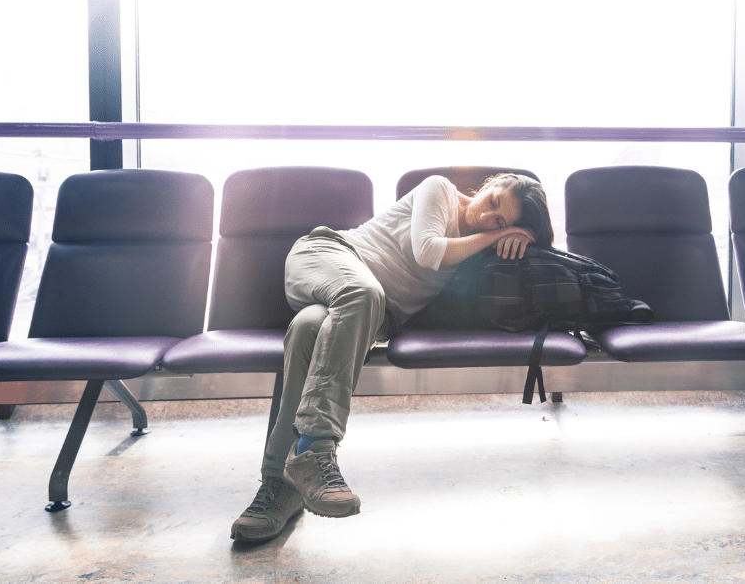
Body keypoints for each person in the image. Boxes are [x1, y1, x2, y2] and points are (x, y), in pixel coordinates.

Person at [231, 172, 555, 544]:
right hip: (329, 257)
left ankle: (278, 489)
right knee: (363, 292)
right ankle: (314, 449)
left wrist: (513, 243)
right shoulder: (440, 191)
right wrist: (497, 234)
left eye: (500, 222)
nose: (486, 218)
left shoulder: (478, 247)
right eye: (493, 203)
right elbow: (429, 250)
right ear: (487, 185)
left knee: (307, 330)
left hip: (368, 312)